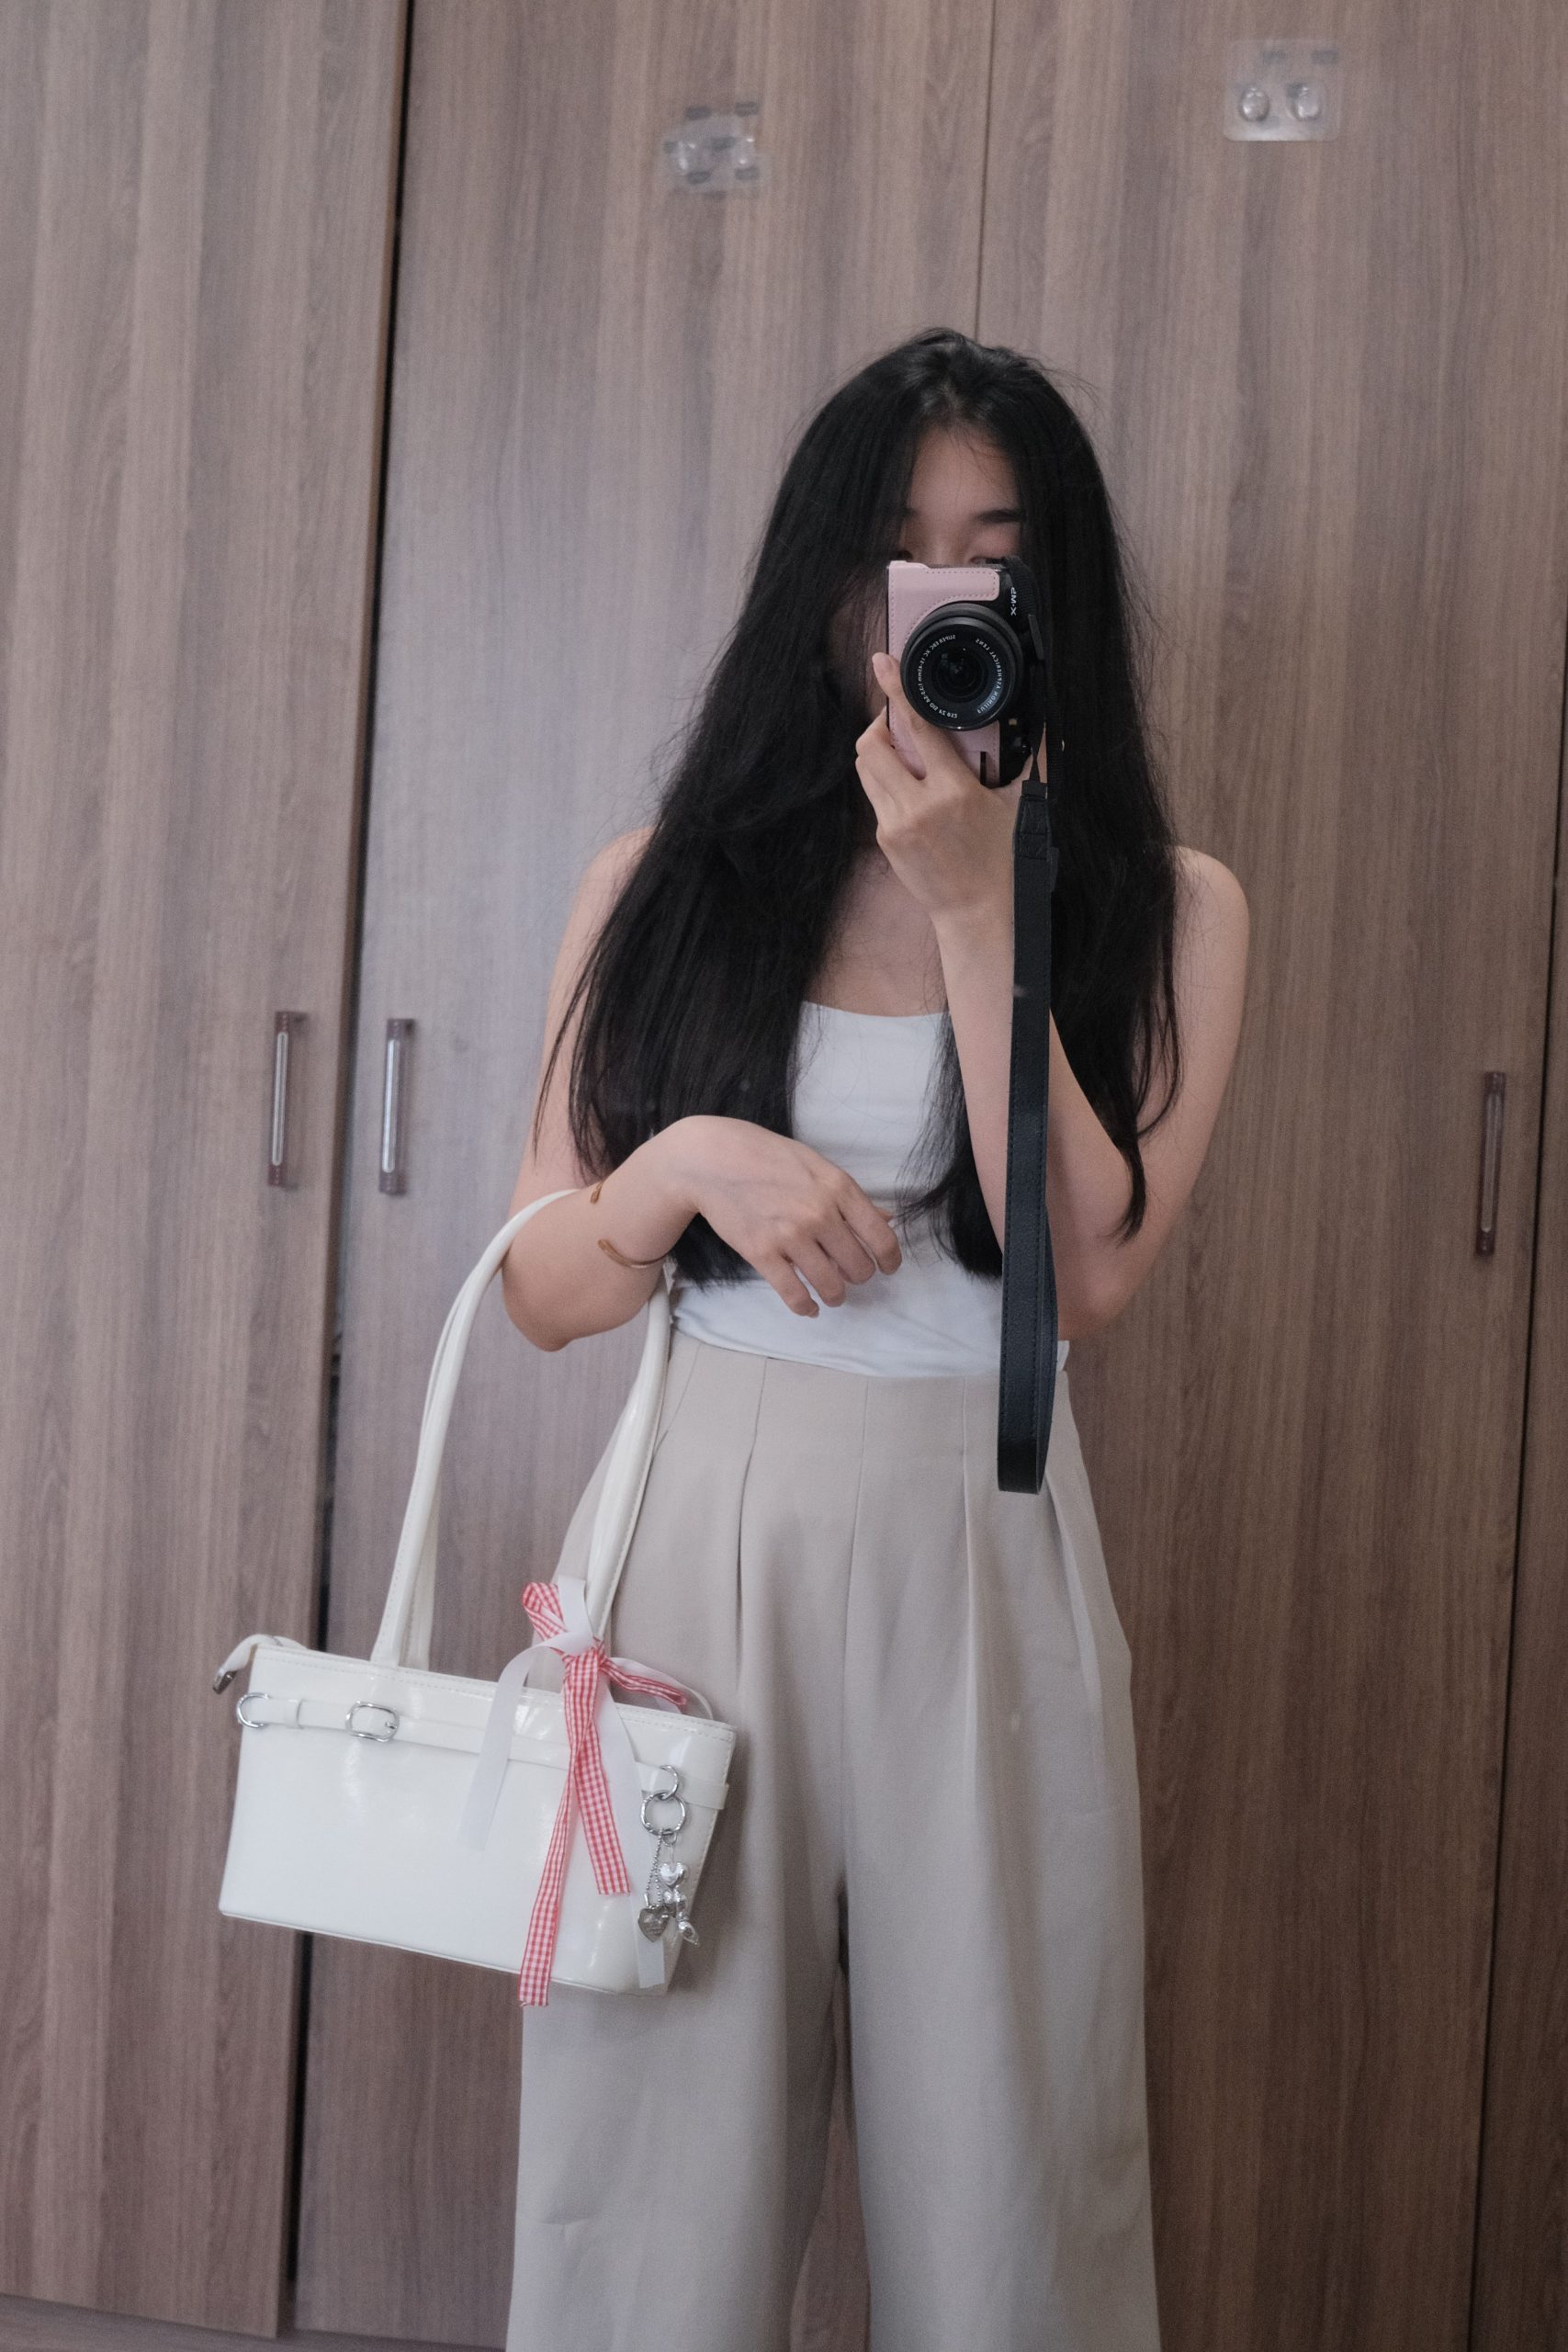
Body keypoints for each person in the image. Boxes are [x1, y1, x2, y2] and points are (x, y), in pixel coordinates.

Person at [498, 326, 1248, 2352]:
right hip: (696, 1546)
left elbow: (1082, 1278)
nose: (937, 594)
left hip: (982, 1548)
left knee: (1011, 2173)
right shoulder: (662, 885)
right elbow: (544, 1284)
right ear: (828, 581)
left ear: (1048, 598)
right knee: (647, 2167)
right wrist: (683, 1170)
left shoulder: (1168, 907)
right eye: (898, 548)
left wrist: (984, 899)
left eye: (992, 554)